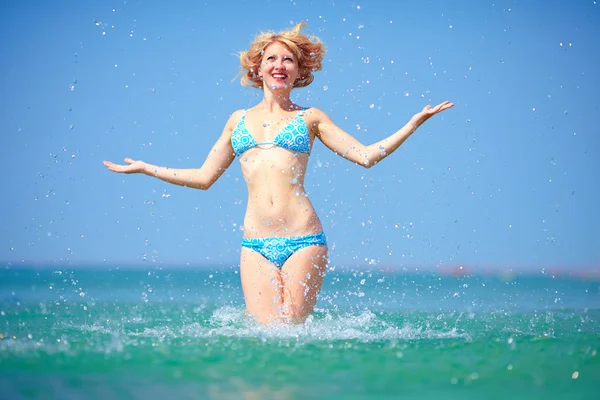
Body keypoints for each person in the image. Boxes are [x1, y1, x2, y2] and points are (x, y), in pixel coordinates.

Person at [103, 22, 453, 325]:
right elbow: (203, 177)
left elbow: (364, 156)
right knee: (265, 337)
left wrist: (412, 124)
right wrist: (147, 168)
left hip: (304, 240)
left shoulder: (310, 118)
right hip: (253, 244)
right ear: (258, 68)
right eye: (272, 58)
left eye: (289, 59)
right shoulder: (236, 120)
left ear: (300, 72)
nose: (280, 65)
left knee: (293, 335)